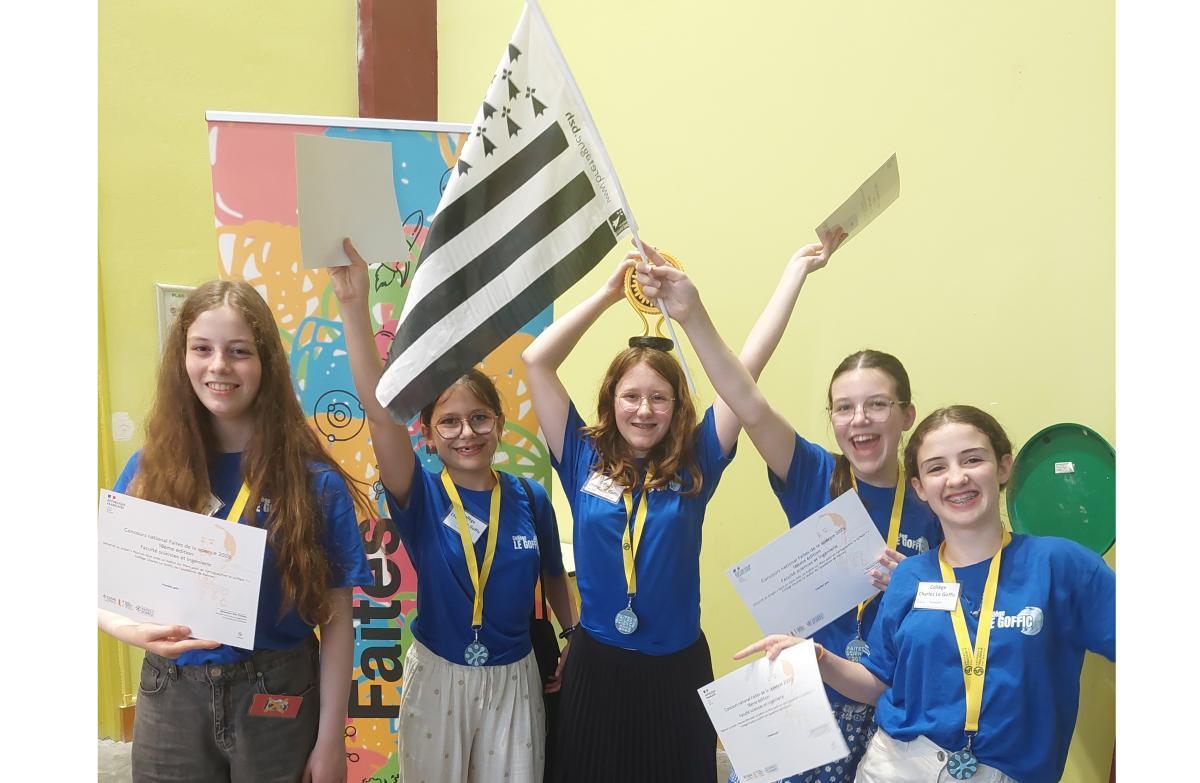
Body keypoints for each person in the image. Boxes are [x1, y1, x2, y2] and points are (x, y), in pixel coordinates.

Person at [636, 243, 943, 783]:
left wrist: (918, 586)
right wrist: (693, 315)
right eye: (844, 408)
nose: (860, 419)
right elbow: (745, 401)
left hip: (886, 713)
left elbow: (967, 606)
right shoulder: (815, 474)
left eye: (877, 404)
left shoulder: (933, 498)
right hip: (797, 704)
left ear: (906, 415)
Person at [735, 406, 1116, 783]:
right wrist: (817, 657)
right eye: (936, 468)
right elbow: (877, 683)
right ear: (919, 487)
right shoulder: (910, 576)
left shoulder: (1061, 566)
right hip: (896, 765)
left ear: (1003, 467)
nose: (957, 478)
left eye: (973, 459)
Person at [98, 280, 372, 783]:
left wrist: (332, 738)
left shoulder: (314, 482)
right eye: (202, 348)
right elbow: (101, 585)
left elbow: (336, 620)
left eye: (239, 351)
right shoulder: (151, 470)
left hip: (277, 692)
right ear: (182, 359)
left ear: (266, 363)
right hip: (171, 693)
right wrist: (129, 630)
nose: (219, 365)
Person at [329, 240, 577, 783]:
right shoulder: (420, 495)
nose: (467, 432)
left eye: (480, 418)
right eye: (450, 422)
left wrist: (574, 636)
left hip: (514, 678)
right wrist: (353, 304)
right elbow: (380, 415)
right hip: (440, 675)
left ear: (499, 424)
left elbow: (555, 577)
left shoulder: (529, 498)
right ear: (428, 434)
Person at [520, 245, 755, 783]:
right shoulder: (581, 456)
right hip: (597, 666)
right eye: (631, 396)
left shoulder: (697, 460)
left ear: (677, 406)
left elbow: (743, 379)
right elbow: (536, 361)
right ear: (611, 400)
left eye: (659, 398)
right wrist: (607, 294)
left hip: (676, 669)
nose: (644, 410)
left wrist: (693, 313)